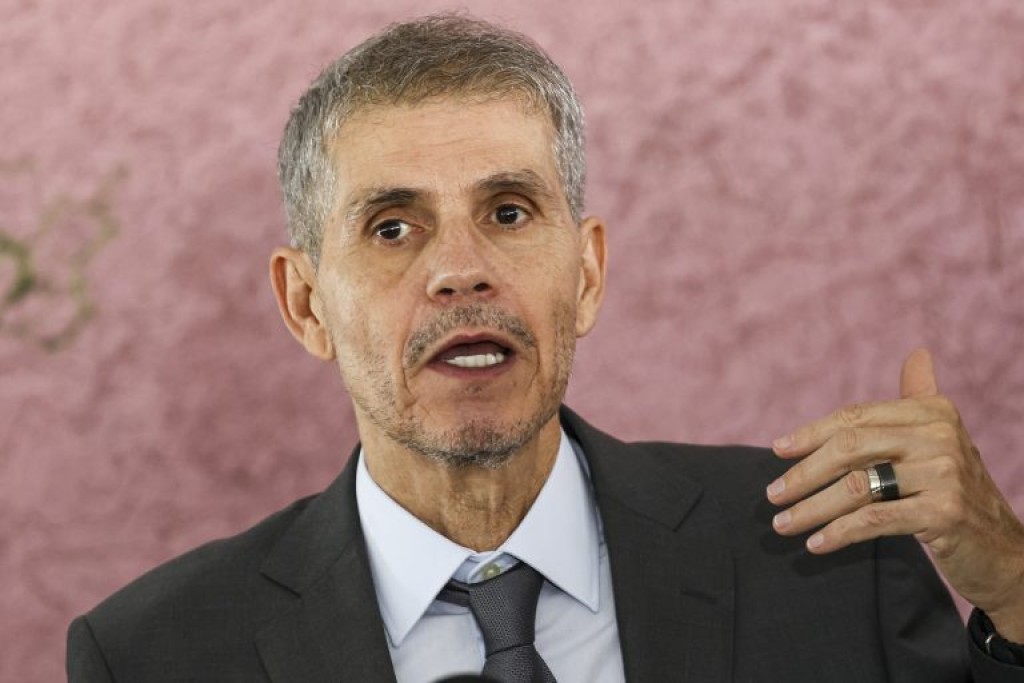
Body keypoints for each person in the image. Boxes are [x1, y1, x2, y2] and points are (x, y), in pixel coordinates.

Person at [67, 13, 1024, 682]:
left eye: (509, 211)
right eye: (393, 228)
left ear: (588, 273)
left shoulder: (829, 552)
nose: (460, 270)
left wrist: (1016, 590)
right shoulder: (153, 654)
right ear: (306, 303)